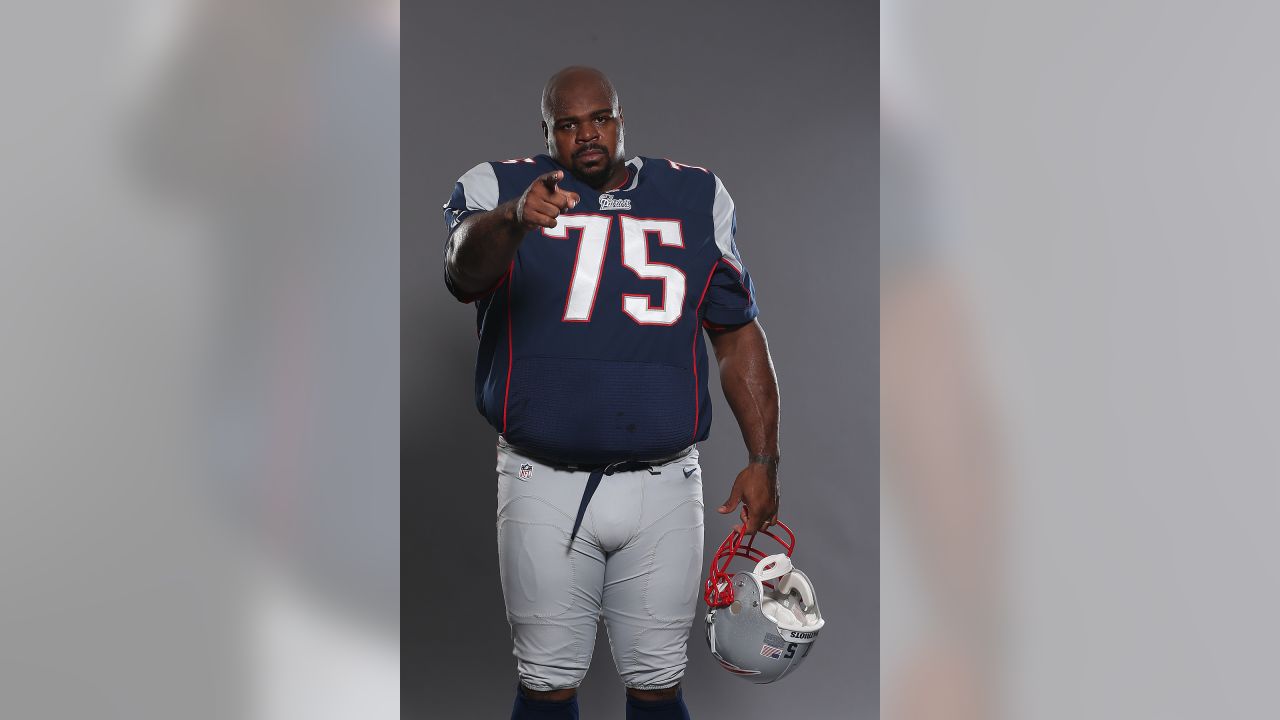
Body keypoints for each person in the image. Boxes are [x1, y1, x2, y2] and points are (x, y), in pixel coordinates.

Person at [442, 66, 780, 720]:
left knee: (658, 680)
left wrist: (763, 461)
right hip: (542, 476)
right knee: (546, 681)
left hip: (662, 481)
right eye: (567, 124)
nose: (586, 135)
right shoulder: (499, 186)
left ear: (621, 119)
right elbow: (461, 271)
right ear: (547, 132)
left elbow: (736, 333)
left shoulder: (695, 193)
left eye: (599, 118)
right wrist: (514, 219)